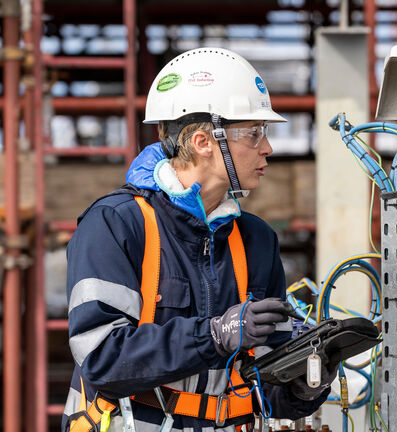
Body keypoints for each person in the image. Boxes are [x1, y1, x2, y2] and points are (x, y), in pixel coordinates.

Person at [63, 47, 333, 432]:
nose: (267, 148)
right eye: (255, 133)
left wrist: (308, 377)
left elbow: (264, 390)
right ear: (205, 141)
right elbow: (103, 359)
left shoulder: (255, 239)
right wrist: (214, 335)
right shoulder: (116, 225)